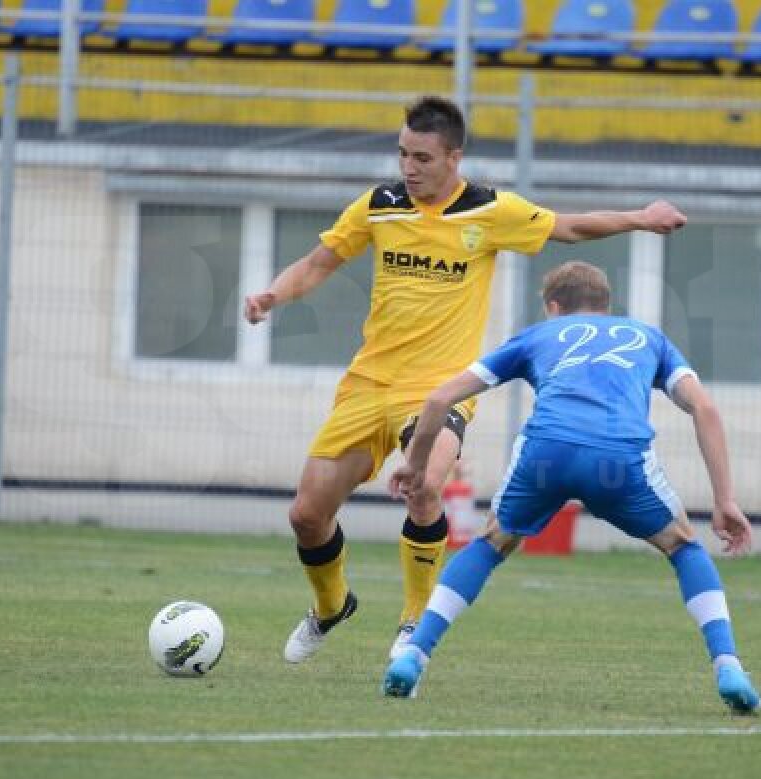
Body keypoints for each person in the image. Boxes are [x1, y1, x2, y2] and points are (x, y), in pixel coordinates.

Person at [244, 96, 688, 664]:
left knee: (427, 482)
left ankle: (413, 624)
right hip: (367, 385)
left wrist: (641, 219)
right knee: (307, 514)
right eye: (403, 153)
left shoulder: (489, 210)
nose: (408, 167)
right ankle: (331, 606)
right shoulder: (379, 207)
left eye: (422, 157)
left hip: (436, 389)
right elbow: (318, 262)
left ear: (453, 157)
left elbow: (569, 228)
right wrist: (271, 294)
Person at [381, 261, 761, 714]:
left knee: (490, 543)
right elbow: (705, 409)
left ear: (554, 307)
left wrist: (415, 465)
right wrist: (725, 500)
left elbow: (440, 398)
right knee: (684, 547)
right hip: (618, 459)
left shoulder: (539, 335)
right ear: (606, 305)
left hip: (547, 453)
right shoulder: (649, 338)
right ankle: (728, 665)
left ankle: (413, 654)